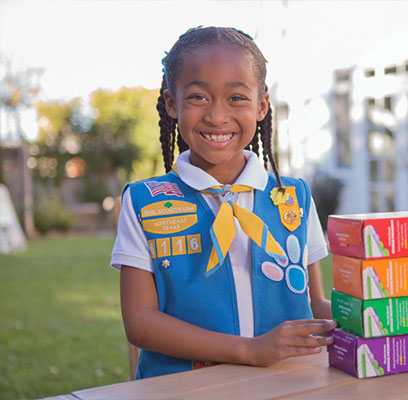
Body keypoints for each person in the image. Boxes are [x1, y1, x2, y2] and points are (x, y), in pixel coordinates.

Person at [110, 26, 336, 380]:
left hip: (285, 382)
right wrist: (250, 350)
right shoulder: (143, 202)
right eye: (199, 97)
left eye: (236, 98)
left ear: (261, 106)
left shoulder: (294, 198)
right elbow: (140, 324)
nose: (217, 115)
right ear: (172, 103)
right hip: (181, 387)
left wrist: (371, 314)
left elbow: (314, 302)